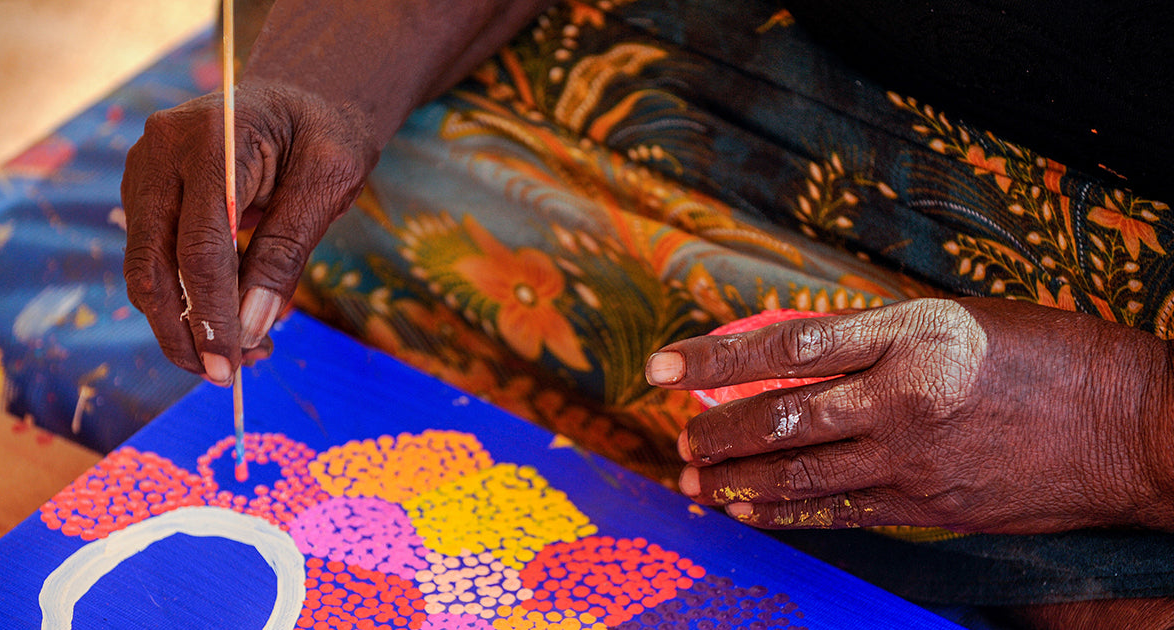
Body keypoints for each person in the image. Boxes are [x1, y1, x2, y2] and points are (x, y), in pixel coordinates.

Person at [120, 0, 1174, 626]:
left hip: (1124, 313)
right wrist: (325, 87)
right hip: (748, 73)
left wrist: (1122, 421)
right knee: (301, 179)